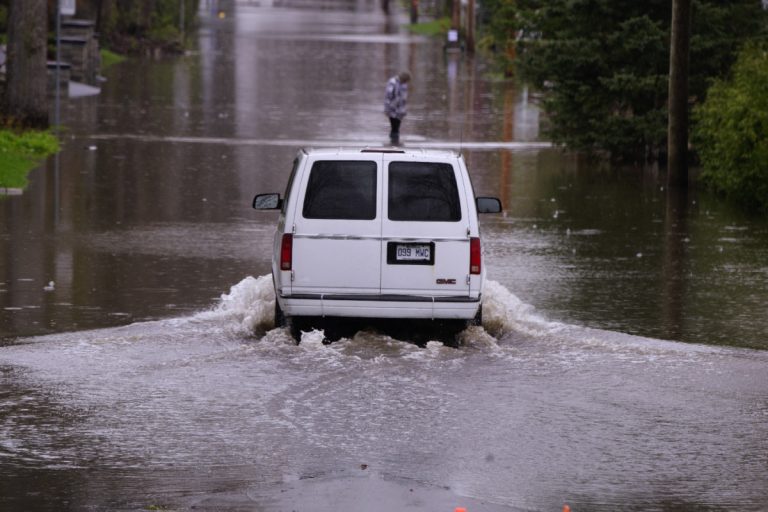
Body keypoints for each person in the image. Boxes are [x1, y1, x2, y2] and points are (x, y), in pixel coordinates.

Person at [384, 71, 410, 145]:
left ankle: (394, 141)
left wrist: (404, 109)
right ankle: (394, 141)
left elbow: (404, 97)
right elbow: (388, 95)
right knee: (394, 125)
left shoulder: (404, 84)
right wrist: (388, 107)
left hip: (400, 109)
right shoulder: (393, 82)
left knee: (397, 126)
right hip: (392, 107)